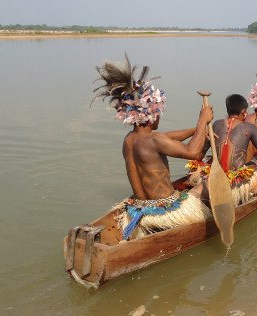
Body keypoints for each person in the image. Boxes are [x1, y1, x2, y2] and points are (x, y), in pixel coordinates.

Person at [92, 54, 214, 240]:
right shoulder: (154, 140)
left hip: (139, 207)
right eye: (158, 114)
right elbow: (194, 153)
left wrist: (194, 130)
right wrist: (202, 120)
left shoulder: (130, 140)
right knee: (206, 185)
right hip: (164, 210)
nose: (159, 118)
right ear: (151, 114)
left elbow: (165, 138)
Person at [188, 94, 257, 206]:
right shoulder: (249, 127)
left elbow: (201, 152)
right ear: (243, 111)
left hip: (215, 175)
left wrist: (197, 168)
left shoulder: (216, 124)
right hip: (236, 182)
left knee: (196, 187)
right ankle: (246, 193)